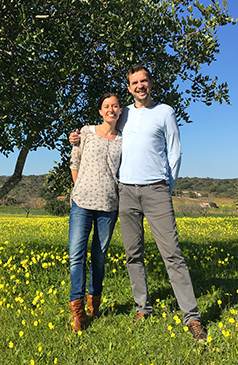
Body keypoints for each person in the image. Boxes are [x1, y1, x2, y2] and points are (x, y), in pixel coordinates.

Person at [70, 65, 207, 342]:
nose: (140, 86)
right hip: (126, 192)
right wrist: (76, 138)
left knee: (172, 254)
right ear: (129, 87)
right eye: (135, 82)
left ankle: (192, 317)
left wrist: (167, 186)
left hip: (156, 189)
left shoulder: (165, 112)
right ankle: (142, 307)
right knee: (133, 254)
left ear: (150, 83)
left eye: (144, 81)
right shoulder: (125, 114)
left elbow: (175, 151)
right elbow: (101, 131)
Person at [67, 92, 123, 331]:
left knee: (99, 259)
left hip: (109, 206)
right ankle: (78, 313)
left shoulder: (124, 139)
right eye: (106, 106)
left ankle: (95, 305)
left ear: (121, 111)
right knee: (76, 256)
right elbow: (75, 162)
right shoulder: (86, 132)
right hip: (81, 203)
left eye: (115, 106)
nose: (110, 109)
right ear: (100, 111)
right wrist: (78, 187)